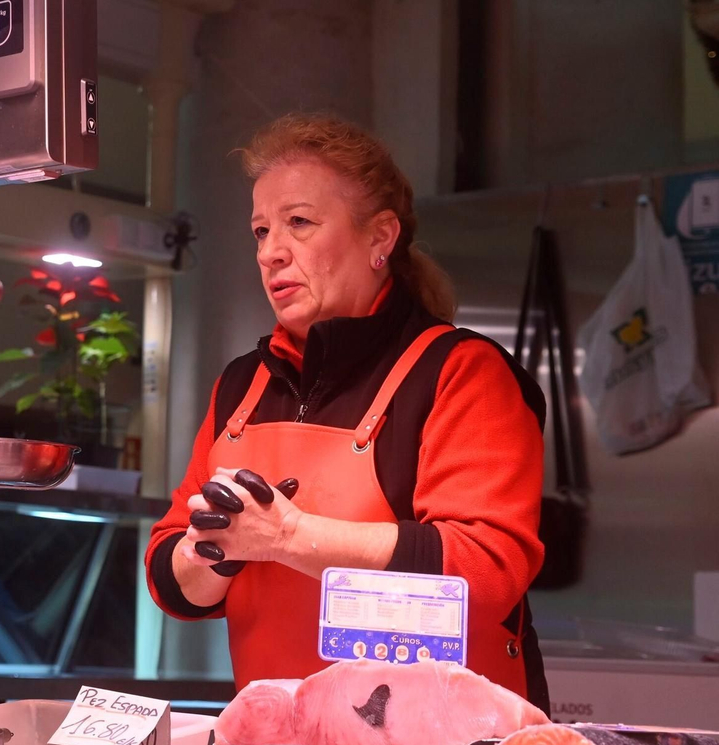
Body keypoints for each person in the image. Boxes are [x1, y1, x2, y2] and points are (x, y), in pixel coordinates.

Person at [147, 113, 548, 709]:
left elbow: (486, 570)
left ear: (380, 238)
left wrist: (289, 536)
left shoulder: (460, 371)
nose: (271, 253)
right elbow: (171, 578)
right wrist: (218, 548)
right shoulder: (241, 385)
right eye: (260, 231)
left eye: (299, 223)